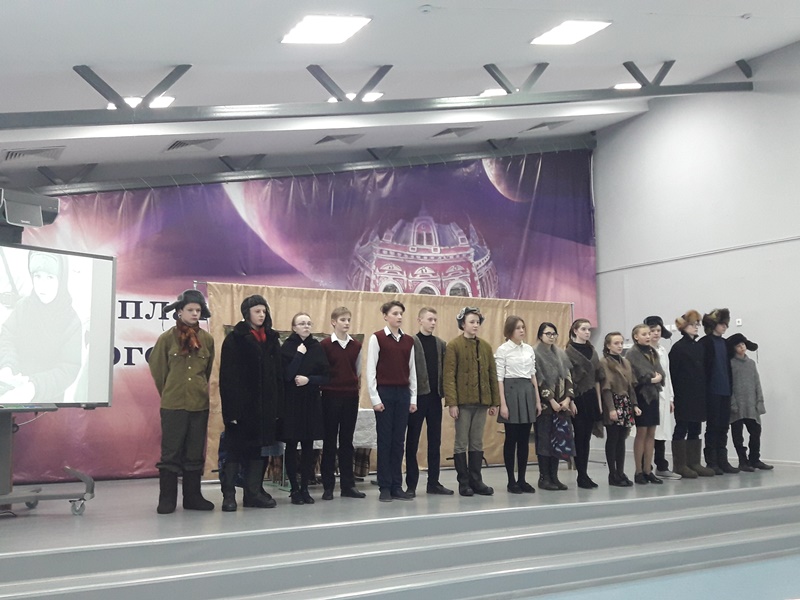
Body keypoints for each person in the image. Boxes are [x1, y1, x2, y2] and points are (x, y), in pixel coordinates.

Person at [148, 289, 215, 514]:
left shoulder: (207, 340)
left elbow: (206, 371)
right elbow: (158, 369)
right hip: (173, 405)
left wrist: (197, 389)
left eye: (198, 310)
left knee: (195, 453)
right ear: (179, 311)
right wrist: (170, 391)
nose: (195, 314)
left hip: (198, 404)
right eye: (190, 310)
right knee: (171, 454)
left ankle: (193, 497)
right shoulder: (167, 338)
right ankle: (167, 499)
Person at [218, 294, 283, 512]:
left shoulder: (272, 339)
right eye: (257, 311)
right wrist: (231, 412)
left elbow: (278, 376)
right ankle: (229, 495)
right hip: (242, 409)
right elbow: (227, 378)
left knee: (258, 451)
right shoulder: (234, 339)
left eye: (264, 311)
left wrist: (277, 407)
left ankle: (252, 493)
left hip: (265, 409)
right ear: (247, 314)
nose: (261, 315)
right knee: (234, 452)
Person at [0, 251, 81, 405]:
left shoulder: (71, 321)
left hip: (47, 403)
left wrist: (33, 388)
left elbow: (68, 368)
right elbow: (7, 337)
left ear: (61, 279)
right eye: (37, 276)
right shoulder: (23, 307)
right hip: (10, 393)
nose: (42, 285)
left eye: (50, 277)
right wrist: (7, 367)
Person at [444, 307, 500, 496]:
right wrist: (452, 403)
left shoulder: (485, 346)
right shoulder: (454, 345)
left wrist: (494, 402)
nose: (475, 325)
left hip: (482, 402)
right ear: (463, 324)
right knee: (461, 442)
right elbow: (449, 376)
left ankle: (476, 480)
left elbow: (492, 374)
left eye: (477, 322)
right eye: (471, 322)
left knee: (477, 442)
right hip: (463, 403)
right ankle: (463, 482)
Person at [366, 300, 417, 503]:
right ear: (386, 316)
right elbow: (371, 370)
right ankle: (384, 486)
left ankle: (397, 485)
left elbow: (412, 371)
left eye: (401, 313)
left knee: (398, 442)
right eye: (395, 313)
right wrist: (375, 398)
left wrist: (413, 398)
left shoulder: (408, 341)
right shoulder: (377, 338)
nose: (399, 317)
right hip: (385, 394)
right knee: (385, 441)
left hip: (402, 394)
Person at [280, 312, 329, 505]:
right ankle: (294, 488)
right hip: (292, 402)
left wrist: (309, 379)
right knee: (292, 445)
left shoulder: (316, 347)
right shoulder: (287, 347)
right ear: (294, 328)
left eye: (309, 323)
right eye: (302, 323)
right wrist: (299, 354)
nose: (306, 326)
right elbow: (287, 375)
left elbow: (326, 376)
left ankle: (305, 488)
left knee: (309, 446)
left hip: (311, 401)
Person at [320, 306, 366, 500]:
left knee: (347, 441)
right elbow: (322, 370)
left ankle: (348, 485)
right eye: (342, 320)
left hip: (350, 397)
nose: (346, 323)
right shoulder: (325, 345)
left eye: (348, 320)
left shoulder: (356, 346)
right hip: (330, 396)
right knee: (330, 441)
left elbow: (357, 370)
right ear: (333, 322)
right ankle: (328, 486)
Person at [406, 307, 453, 496]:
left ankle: (433, 482)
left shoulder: (440, 344)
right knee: (412, 441)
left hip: (434, 398)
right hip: (417, 399)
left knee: (435, 442)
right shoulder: (411, 342)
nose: (433, 323)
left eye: (435, 319)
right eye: (429, 319)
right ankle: (411, 484)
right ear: (420, 320)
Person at [496, 315, 541, 494]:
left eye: (523, 327)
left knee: (524, 439)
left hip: (527, 391)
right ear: (509, 331)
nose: (522, 330)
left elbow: (533, 375)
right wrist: (503, 404)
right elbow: (499, 378)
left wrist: (537, 400)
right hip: (511, 391)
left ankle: (522, 479)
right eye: (517, 328)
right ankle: (511, 480)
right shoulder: (503, 350)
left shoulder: (529, 349)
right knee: (511, 438)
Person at [669, 310, 714, 478]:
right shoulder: (678, 348)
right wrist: (675, 396)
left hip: (698, 393)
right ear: (684, 326)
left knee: (696, 427)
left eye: (697, 325)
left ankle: (694, 462)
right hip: (683, 394)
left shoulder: (699, 346)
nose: (696, 327)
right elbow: (673, 373)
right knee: (682, 427)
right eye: (693, 325)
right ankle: (680, 464)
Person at [533, 322, 575, 491]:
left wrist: (568, 399)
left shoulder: (561, 354)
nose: (551, 337)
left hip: (562, 405)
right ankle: (544, 477)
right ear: (540, 335)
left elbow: (568, 377)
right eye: (548, 334)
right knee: (544, 440)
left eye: (554, 334)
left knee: (557, 440)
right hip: (545, 406)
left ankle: (554, 476)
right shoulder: (535, 354)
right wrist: (551, 400)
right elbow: (538, 381)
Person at [565, 318, 604, 489]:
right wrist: (571, 400)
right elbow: (567, 378)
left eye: (589, 329)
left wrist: (599, 402)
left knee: (586, 437)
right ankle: (580, 474)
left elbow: (597, 378)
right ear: (575, 331)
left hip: (590, 397)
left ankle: (584, 473)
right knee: (579, 436)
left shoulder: (592, 351)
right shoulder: (568, 352)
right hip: (577, 397)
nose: (587, 332)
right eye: (583, 329)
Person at [700, 308, 739, 474]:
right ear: (713, 324)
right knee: (713, 426)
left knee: (723, 426)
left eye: (726, 324)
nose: (725, 327)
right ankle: (712, 461)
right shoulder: (705, 343)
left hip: (725, 390)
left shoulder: (725, 344)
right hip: (712, 390)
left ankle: (723, 460)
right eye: (722, 324)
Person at [600, 332, 640, 487]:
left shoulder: (625, 362)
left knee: (622, 438)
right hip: (613, 402)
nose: (620, 346)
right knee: (613, 438)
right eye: (616, 343)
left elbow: (631, 386)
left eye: (621, 343)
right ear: (608, 345)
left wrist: (634, 405)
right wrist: (611, 408)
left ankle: (621, 471)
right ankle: (613, 473)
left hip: (625, 402)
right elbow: (606, 388)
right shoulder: (604, 362)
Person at [626, 324, 665, 485]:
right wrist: (650, 379)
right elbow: (633, 377)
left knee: (651, 433)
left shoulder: (652, 352)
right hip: (641, 395)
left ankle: (648, 470)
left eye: (649, 333)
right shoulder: (632, 354)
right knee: (641, 432)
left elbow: (660, 372)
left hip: (653, 395)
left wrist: (657, 378)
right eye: (644, 334)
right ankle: (638, 471)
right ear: (636, 337)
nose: (648, 336)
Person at [728, 333, 772, 471]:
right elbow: (729, 385)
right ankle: (743, 461)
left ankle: (755, 459)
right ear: (733, 348)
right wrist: (732, 403)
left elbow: (757, 383)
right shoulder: (730, 364)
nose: (742, 347)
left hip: (751, 404)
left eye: (743, 344)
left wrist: (759, 401)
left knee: (756, 431)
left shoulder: (751, 363)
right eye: (738, 345)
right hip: (737, 405)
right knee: (738, 435)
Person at [644, 316, 680, 480]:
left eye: (658, 330)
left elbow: (668, 376)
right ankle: (646, 466)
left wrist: (671, 397)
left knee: (662, 432)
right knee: (650, 432)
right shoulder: (643, 352)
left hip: (664, 394)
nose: (656, 333)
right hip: (650, 395)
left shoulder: (663, 351)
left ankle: (662, 465)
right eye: (652, 331)